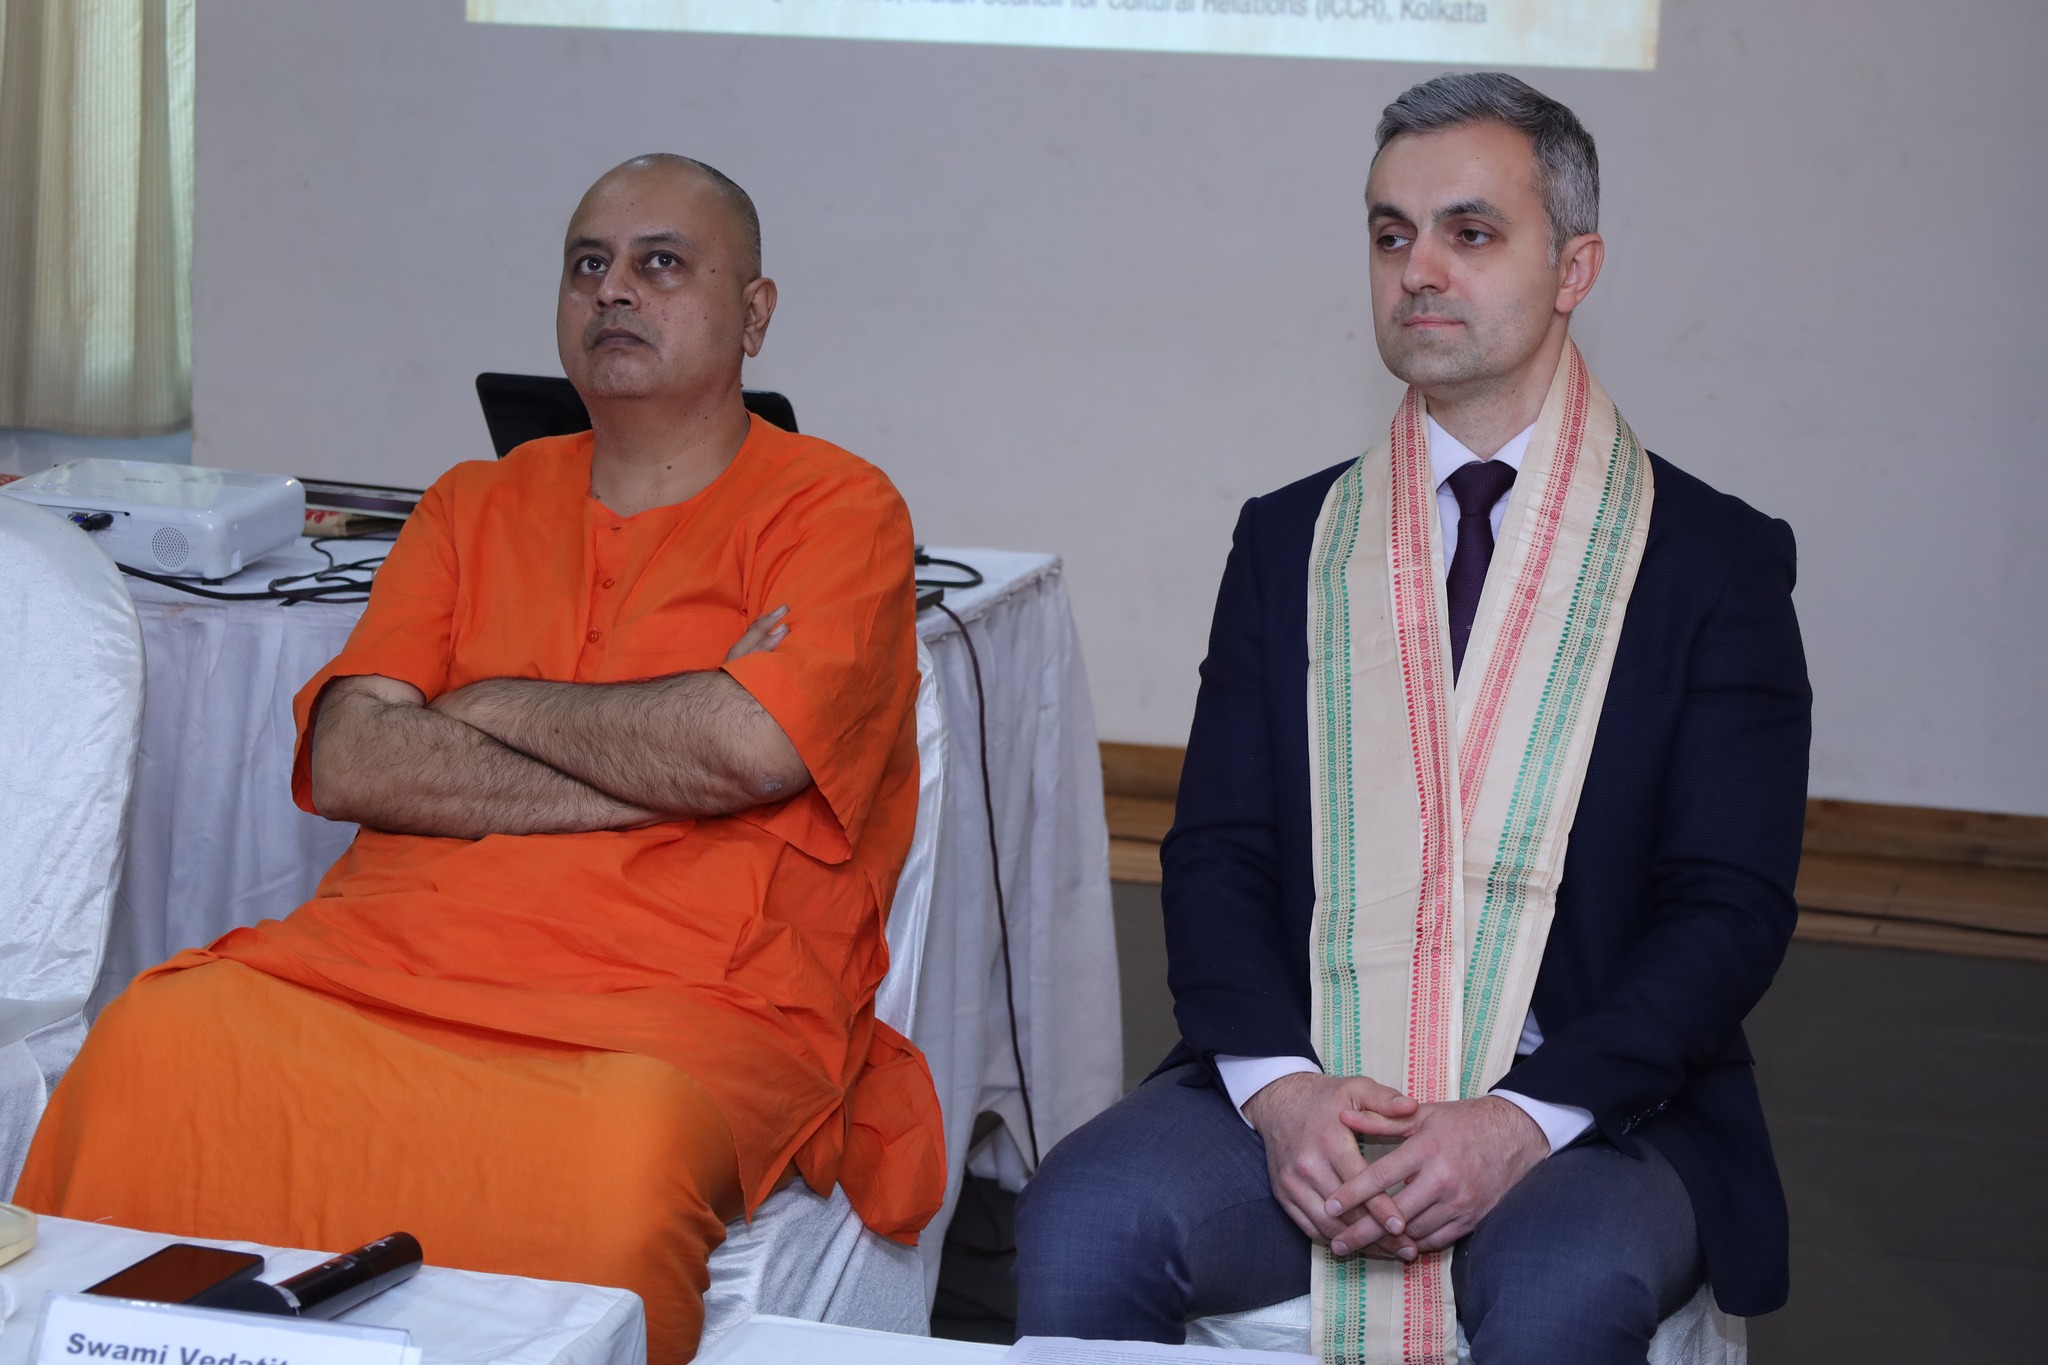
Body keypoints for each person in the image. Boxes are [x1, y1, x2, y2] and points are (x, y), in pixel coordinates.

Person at [18, 155, 945, 1361]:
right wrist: (665, 759)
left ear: (754, 313)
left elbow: (750, 749)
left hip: (677, 993)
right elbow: (354, 759)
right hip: (389, 952)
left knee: (616, 1145)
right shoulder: (471, 504)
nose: (614, 290)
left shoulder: (837, 509)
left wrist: (487, 701)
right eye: (587, 265)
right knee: (151, 1045)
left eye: (661, 264)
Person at [1013, 73, 1810, 1365]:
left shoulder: (1709, 560)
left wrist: (1519, 1120)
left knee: (1562, 1290)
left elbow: (1728, 907)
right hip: (1318, 1082)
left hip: (1595, 1111)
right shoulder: (1293, 541)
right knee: (1087, 1218)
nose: (1418, 269)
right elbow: (1217, 853)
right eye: (1391, 235)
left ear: (1574, 267)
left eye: (1469, 231)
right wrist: (1279, 1092)